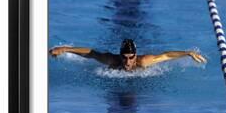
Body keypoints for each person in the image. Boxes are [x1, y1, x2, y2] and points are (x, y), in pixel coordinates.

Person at [49, 39, 206, 71]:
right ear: (120, 55)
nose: (128, 61)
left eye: (131, 57)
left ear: (135, 56)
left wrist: (187, 53)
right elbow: (91, 53)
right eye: (125, 57)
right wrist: (65, 49)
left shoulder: (143, 62)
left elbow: (166, 56)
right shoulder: (112, 60)